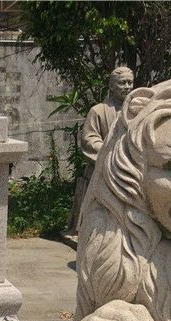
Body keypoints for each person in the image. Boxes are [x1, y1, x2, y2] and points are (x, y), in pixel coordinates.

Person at [67, 66, 134, 235]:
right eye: (122, 83)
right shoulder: (98, 111)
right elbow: (89, 138)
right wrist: (109, 152)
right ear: (111, 86)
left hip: (130, 168)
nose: (127, 87)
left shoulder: (137, 110)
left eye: (130, 82)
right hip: (104, 167)